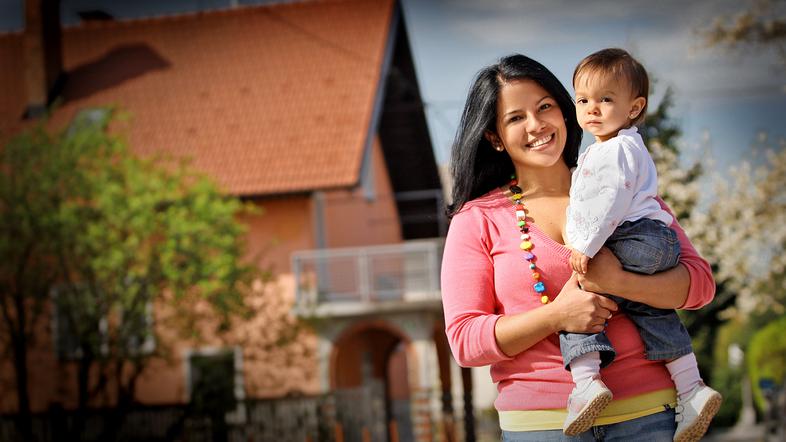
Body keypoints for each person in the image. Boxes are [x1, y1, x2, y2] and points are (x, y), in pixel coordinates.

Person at [440, 53, 716, 441]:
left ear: (565, 111)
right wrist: (558, 316)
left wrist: (618, 281)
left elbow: (700, 285)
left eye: (545, 107)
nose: (536, 125)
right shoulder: (477, 219)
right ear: (494, 137)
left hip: (649, 415)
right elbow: (467, 341)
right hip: (542, 426)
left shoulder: (624, 187)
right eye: (515, 118)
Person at [560, 48, 722, 438]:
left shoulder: (611, 151)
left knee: (578, 296)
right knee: (650, 308)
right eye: (583, 100)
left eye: (605, 99)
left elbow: (610, 201)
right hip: (654, 240)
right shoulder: (627, 146)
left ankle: (586, 382)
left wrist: (586, 245)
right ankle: (690, 387)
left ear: (635, 107)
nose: (592, 109)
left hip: (631, 236)